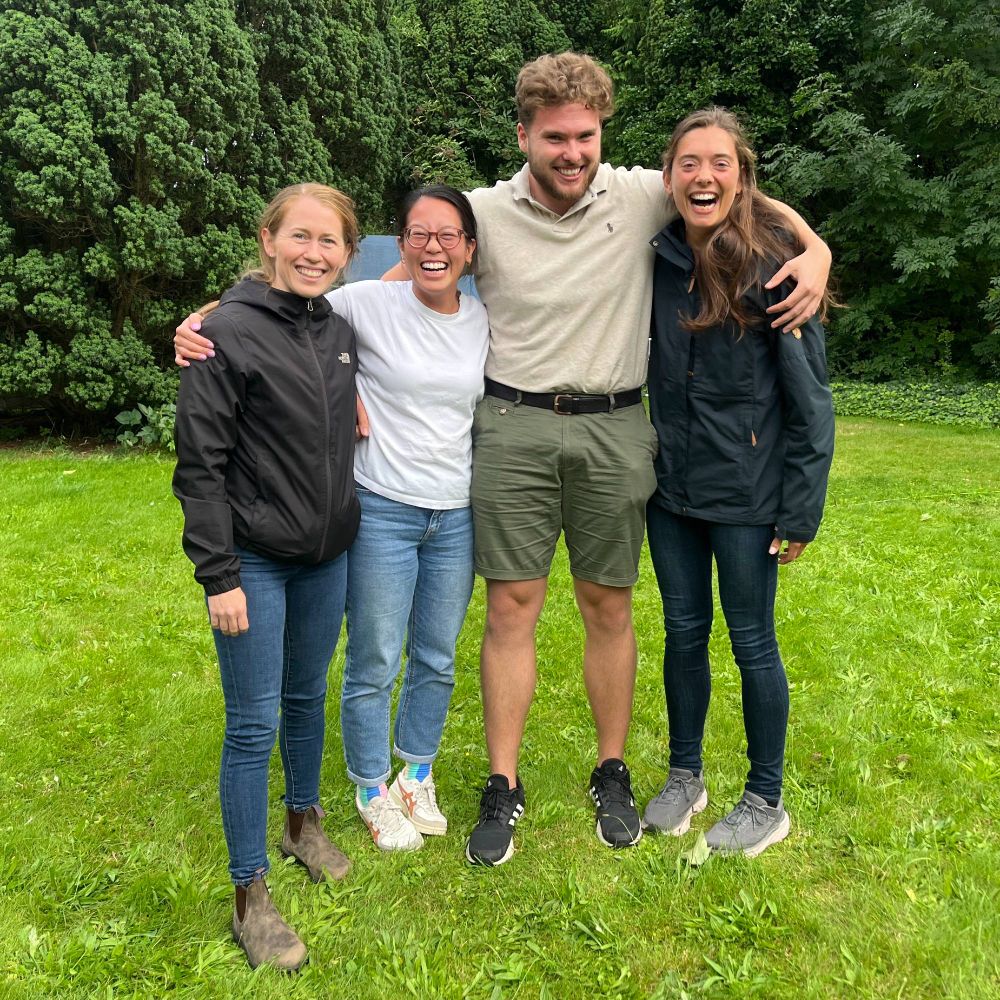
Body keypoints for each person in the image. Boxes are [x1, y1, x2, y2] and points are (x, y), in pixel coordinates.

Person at [446, 53, 832, 866]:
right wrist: (241, 306)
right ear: (524, 134)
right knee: (515, 607)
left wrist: (817, 245)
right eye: (554, 137)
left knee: (611, 607)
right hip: (514, 423)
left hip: (617, 429)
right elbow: (393, 272)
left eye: (585, 136)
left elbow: (735, 190)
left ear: (603, 134)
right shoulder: (480, 211)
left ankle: (616, 772)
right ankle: (503, 784)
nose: (572, 152)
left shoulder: (637, 193)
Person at [175, 187, 490, 853]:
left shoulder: (469, 319)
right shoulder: (362, 305)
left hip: (429, 518)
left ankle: (409, 777)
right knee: (365, 660)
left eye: (329, 242)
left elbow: (300, 318)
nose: (434, 247)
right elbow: (257, 309)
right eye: (419, 234)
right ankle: (366, 791)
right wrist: (196, 321)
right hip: (363, 512)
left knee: (427, 658)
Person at [172, 183, 360, 971]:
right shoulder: (222, 334)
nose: (315, 253)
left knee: (308, 694)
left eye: (332, 242)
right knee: (254, 722)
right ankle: (250, 893)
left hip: (327, 556)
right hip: (253, 560)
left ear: (349, 254)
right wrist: (219, 575)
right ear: (269, 240)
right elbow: (200, 465)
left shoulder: (341, 329)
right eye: (302, 237)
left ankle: (303, 823)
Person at [640, 107, 835, 857]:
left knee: (753, 641)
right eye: (690, 163)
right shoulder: (657, 255)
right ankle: (685, 775)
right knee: (683, 633)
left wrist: (801, 511)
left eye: (721, 162)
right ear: (669, 176)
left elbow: (812, 403)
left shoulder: (776, 266)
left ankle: (766, 798)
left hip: (750, 498)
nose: (705, 176)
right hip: (672, 492)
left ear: (742, 175)